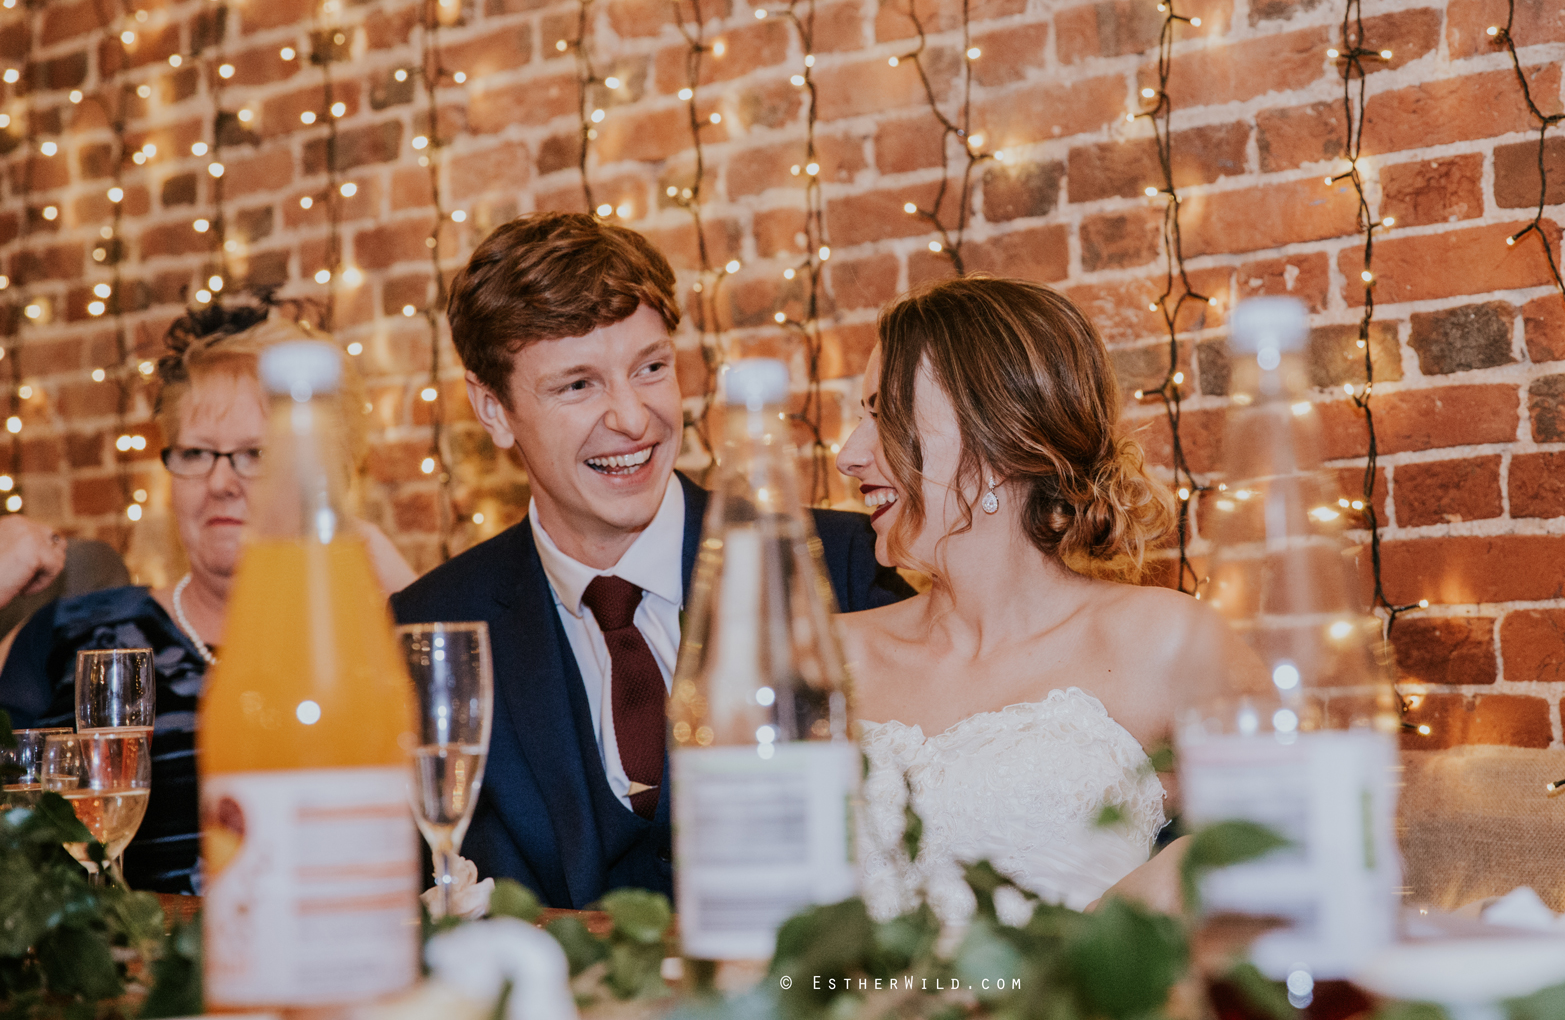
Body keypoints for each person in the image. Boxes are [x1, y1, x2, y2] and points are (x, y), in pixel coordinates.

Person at [392, 213, 910, 910]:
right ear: (492, 409)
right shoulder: (426, 627)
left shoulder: (844, 568)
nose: (633, 419)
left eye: (651, 369)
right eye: (578, 385)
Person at [836, 276, 1253, 925]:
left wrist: (1106, 937)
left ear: (1003, 440)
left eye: (883, 416)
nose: (848, 455)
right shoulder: (830, 656)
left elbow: (1296, 836)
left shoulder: (1165, 643)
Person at [0, 303, 418, 893]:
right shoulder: (71, 633)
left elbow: (464, 800)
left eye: (255, 454)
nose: (221, 482)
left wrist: (379, 572)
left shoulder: (358, 641)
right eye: (195, 453)